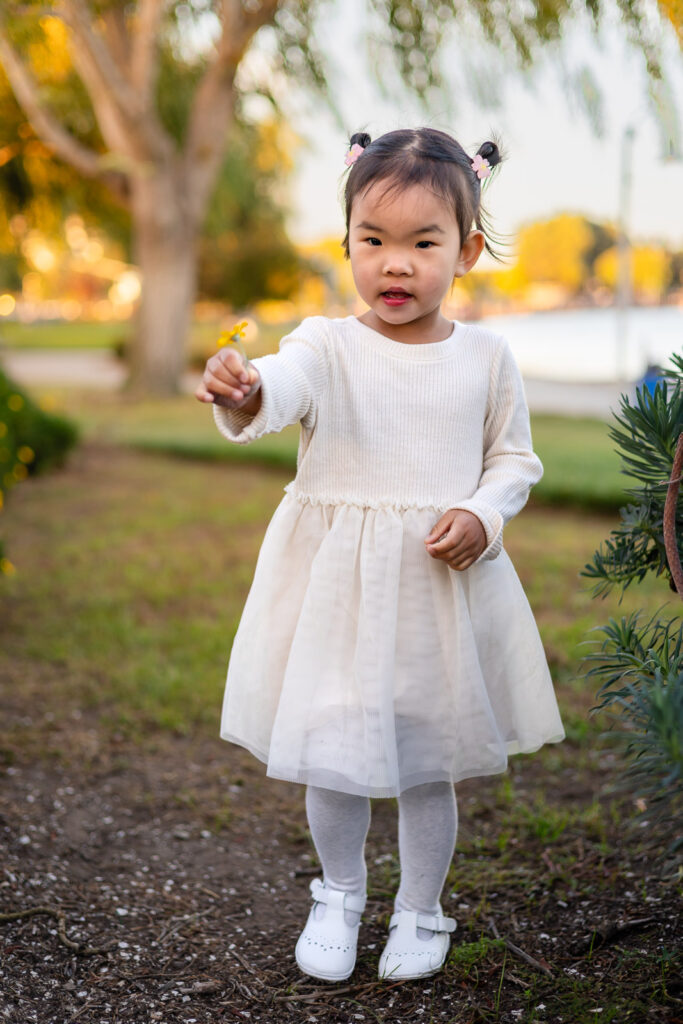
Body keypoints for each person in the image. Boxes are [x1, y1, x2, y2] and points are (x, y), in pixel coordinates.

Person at [196, 127, 565, 984]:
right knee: (333, 747)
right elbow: (280, 387)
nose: (394, 265)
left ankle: (420, 909)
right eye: (374, 242)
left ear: (466, 251)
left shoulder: (484, 357)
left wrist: (481, 511)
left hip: (434, 590)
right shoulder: (326, 345)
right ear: (347, 245)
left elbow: (512, 459)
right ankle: (339, 891)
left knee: (423, 755)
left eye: (422, 243)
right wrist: (247, 388)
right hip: (340, 592)